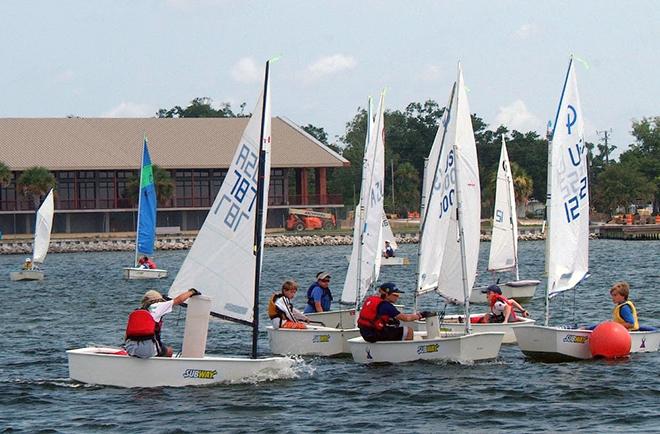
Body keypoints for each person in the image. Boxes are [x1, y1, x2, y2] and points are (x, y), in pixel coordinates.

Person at [124, 288, 199, 358]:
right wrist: (191, 292)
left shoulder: (137, 311)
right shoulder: (158, 306)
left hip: (130, 348)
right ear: (158, 299)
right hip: (147, 350)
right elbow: (178, 300)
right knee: (169, 351)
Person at [357, 282, 423, 342]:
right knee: (408, 331)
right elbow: (406, 318)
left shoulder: (371, 299)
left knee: (394, 325)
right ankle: (406, 352)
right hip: (375, 334)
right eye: (395, 295)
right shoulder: (386, 305)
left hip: (365, 333)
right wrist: (419, 316)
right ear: (386, 294)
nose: (397, 297)